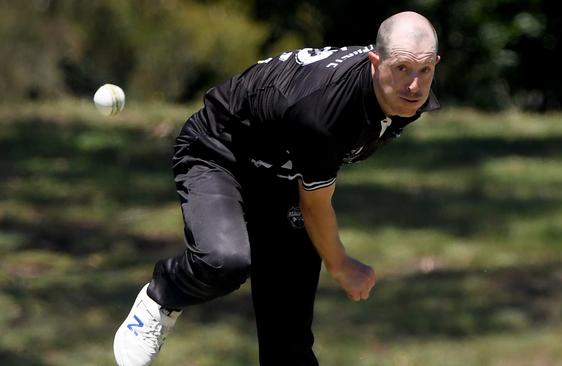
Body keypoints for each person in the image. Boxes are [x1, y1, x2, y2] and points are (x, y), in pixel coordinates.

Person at [113, 10, 441, 366]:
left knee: (289, 341)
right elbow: (315, 205)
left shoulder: (410, 95)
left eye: (425, 70)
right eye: (403, 70)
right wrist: (340, 263)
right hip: (220, 153)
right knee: (225, 262)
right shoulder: (324, 112)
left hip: (283, 173)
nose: (414, 85)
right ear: (374, 61)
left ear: (435, 64)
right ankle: (161, 297)